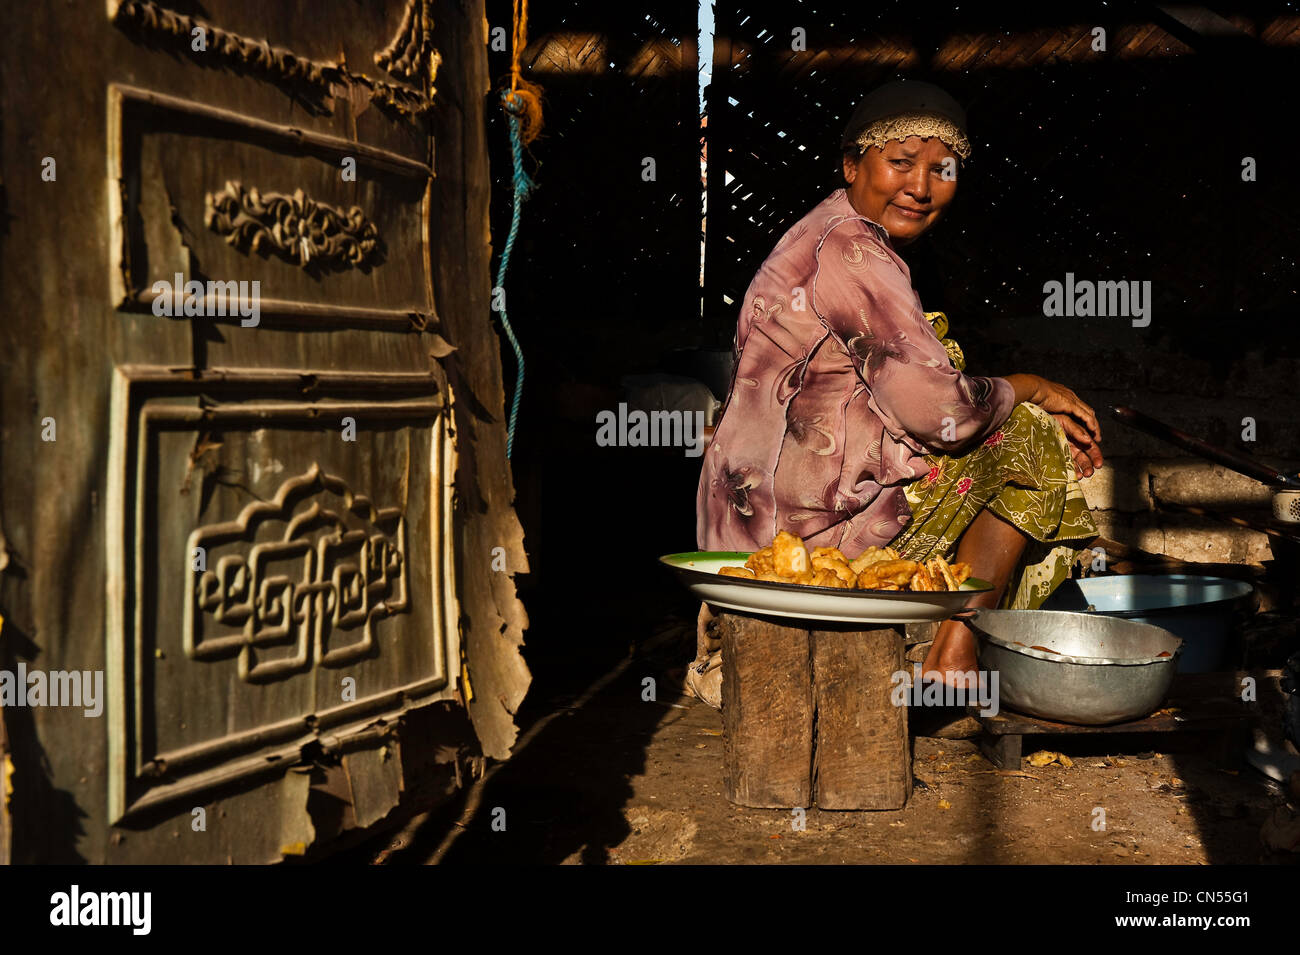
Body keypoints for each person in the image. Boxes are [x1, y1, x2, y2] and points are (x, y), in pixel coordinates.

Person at [688, 80, 1102, 708]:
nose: (921, 185)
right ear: (852, 165)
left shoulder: (825, 232)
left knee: (998, 414)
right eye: (900, 162)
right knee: (1026, 434)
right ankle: (954, 649)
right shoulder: (852, 250)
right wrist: (1032, 388)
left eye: (942, 169)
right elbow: (944, 415)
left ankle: (942, 640)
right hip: (797, 548)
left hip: (755, 528)